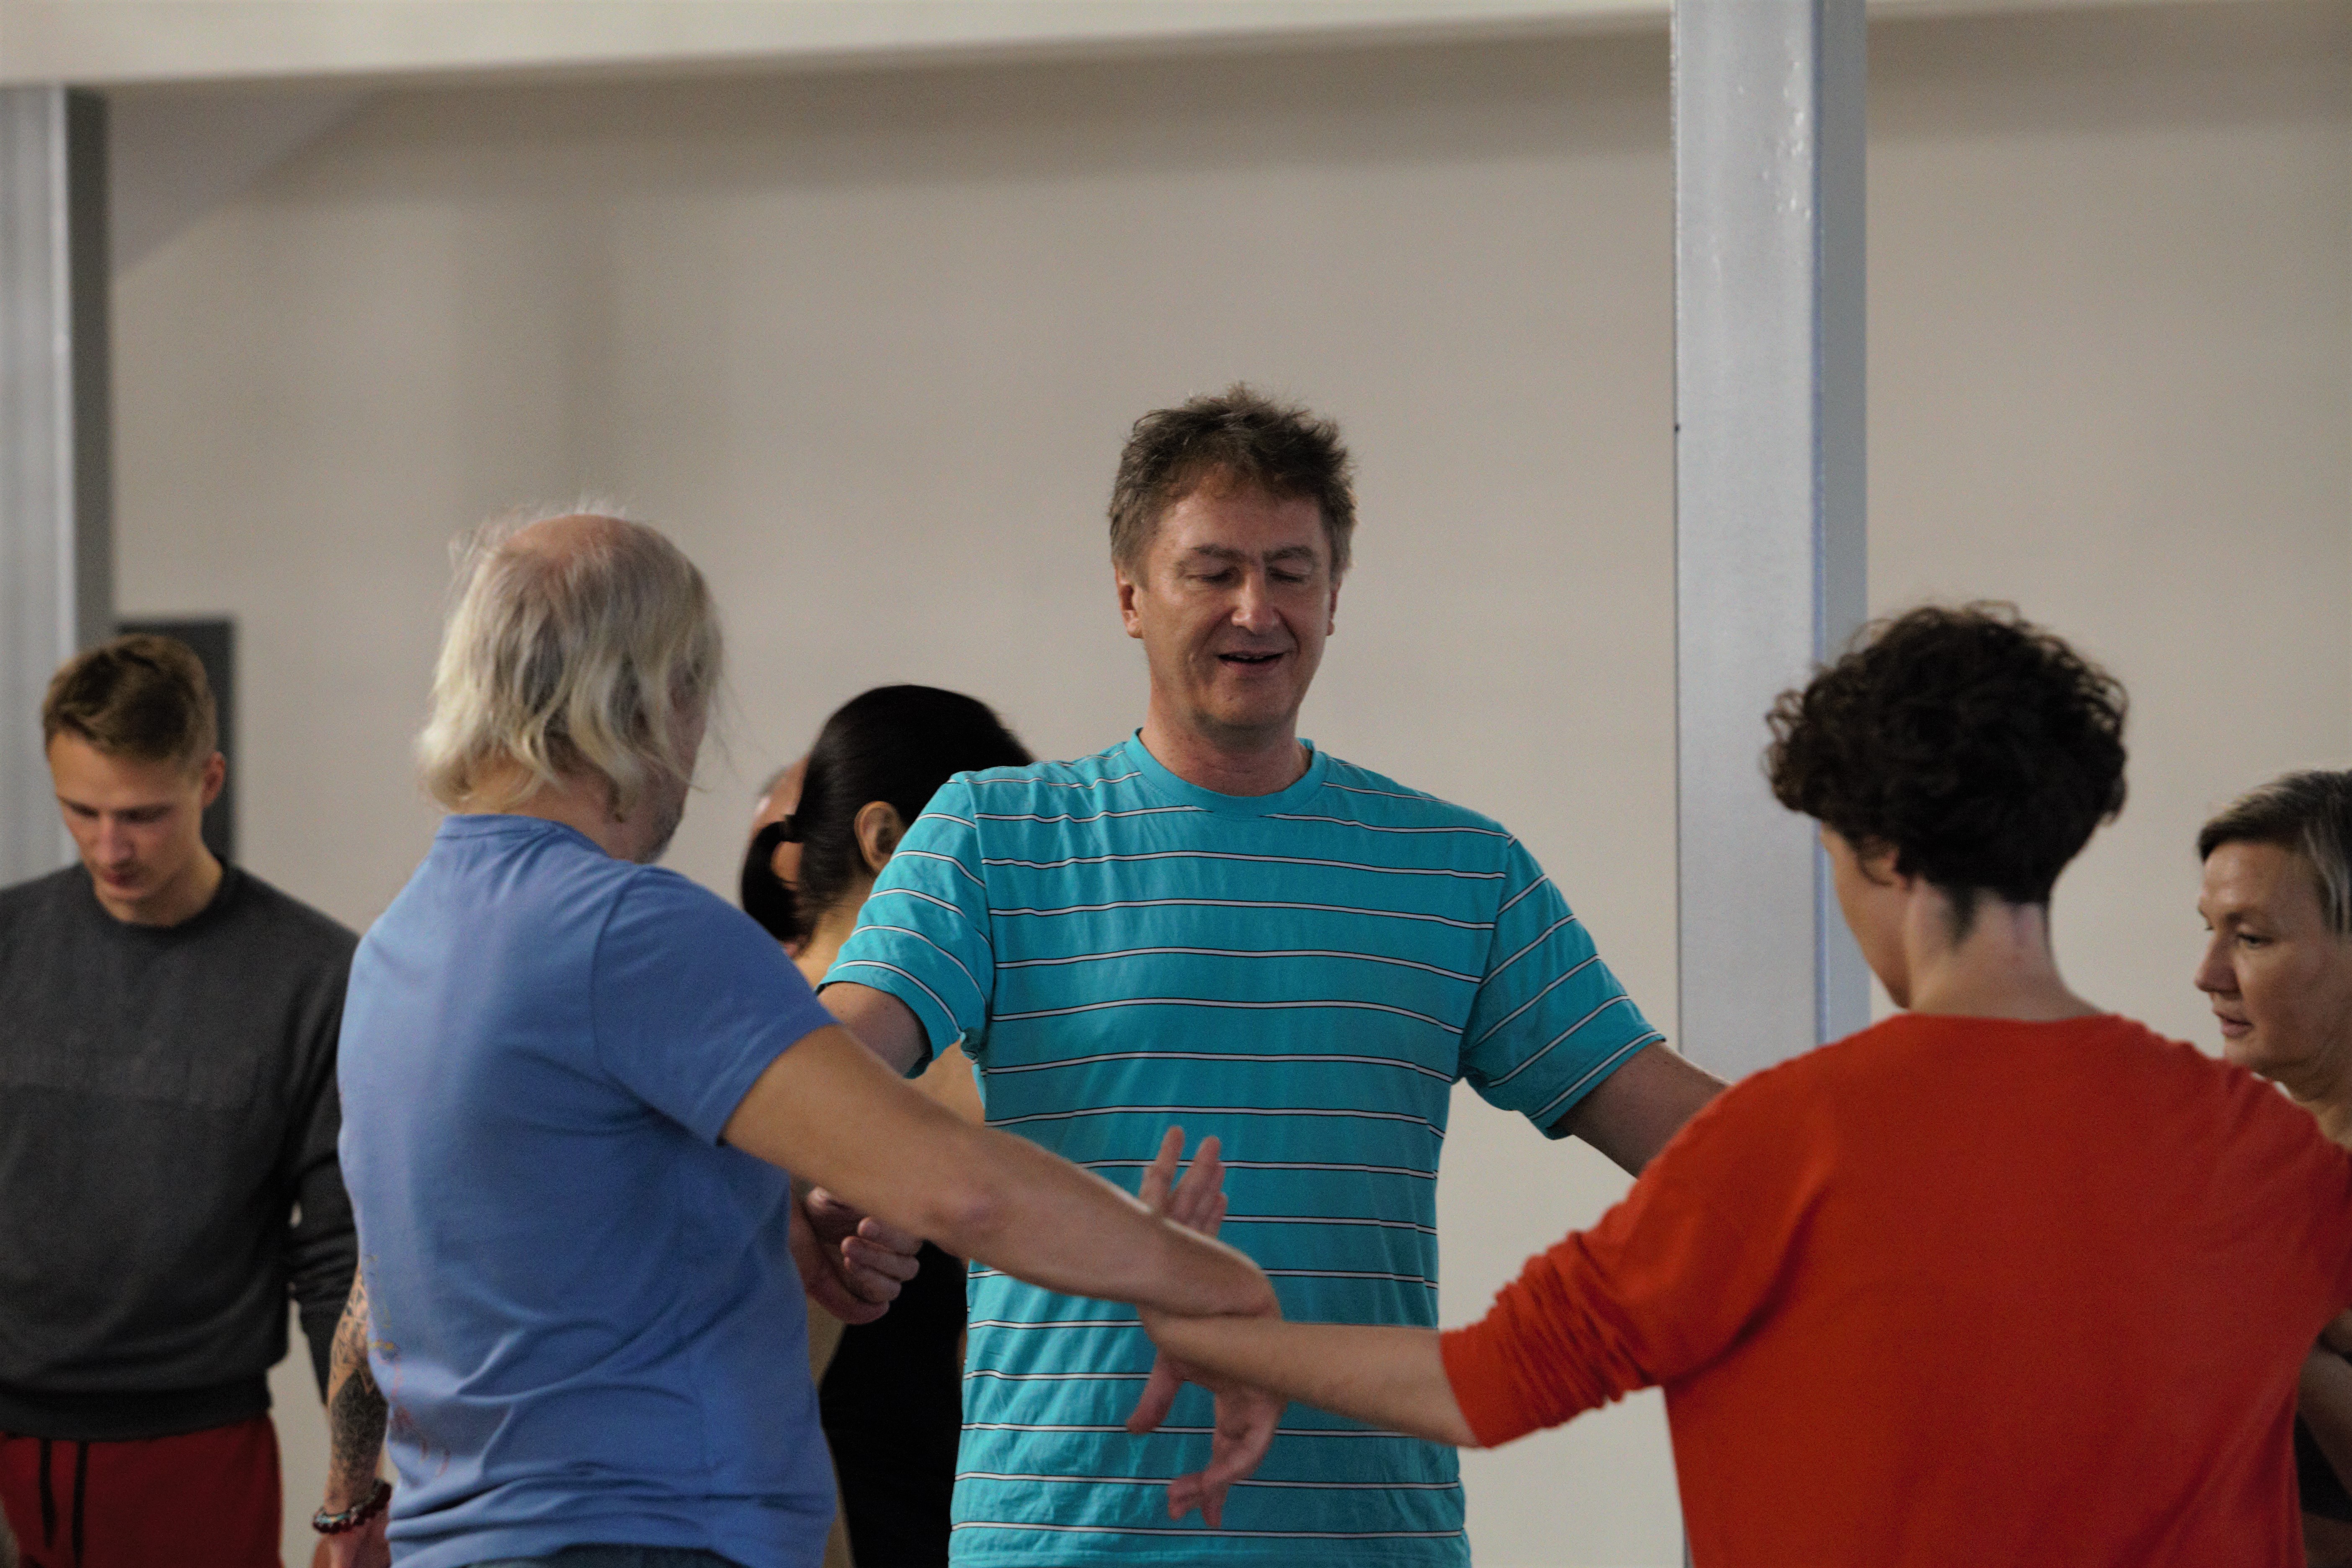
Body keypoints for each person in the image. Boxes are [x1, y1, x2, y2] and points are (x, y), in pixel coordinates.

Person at [1139, 604, 2352, 1568]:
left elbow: (1487, 1385)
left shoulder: (1786, 1144)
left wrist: (1213, 1334)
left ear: (1884, 855)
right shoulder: (2263, 1152)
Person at [818, 387, 1724, 1565]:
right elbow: (828, 1062)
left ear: (1336, 596)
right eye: (1214, 572)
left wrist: (1893, 1156)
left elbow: (1694, 1138)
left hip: (1368, 1541)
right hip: (1063, 1539)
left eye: (1292, 572)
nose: (1258, 610)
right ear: (1130, 596)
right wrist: (849, 1175)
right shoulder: (996, 835)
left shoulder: (1461, 870)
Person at [316, 510, 1277, 1568]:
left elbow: (455, 1254)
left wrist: (764, 1209)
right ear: (654, 697)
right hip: (645, 1538)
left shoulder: (400, 946)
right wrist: (1209, 1280)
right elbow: (963, 1190)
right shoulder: (631, 931)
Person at [0, 634, 359, 1568]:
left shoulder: (313, 978)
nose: (109, 847)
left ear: (209, 781)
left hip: (198, 1447)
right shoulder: (8, 946)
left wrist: (354, 1486)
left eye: (143, 816)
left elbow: (336, 1261)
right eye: (81, 811)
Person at [742, 687, 1029, 1568]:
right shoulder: (825, 1068)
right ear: (886, 842)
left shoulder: (740, 1034)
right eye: (999, 864)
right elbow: (776, 1407)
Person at [2194, 771, 2352, 1567]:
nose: (2208, 973)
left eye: (2251, 939)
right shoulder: (2251, 1171)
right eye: (2210, 931)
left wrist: (2289, 1324)